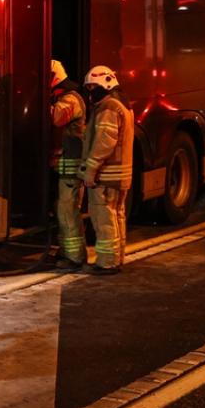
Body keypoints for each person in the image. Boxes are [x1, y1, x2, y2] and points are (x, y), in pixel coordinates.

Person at [79, 65, 134, 275]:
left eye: (93, 87)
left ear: (105, 84)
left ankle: (107, 262)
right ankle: (116, 257)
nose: (90, 92)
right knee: (117, 216)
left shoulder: (109, 108)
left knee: (104, 219)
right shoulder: (122, 104)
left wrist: (91, 170)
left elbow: (104, 142)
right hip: (120, 175)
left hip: (106, 175)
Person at [49, 60, 89, 270]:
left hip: (72, 164)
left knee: (68, 210)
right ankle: (66, 251)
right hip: (64, 164)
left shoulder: (70, 99)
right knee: (62, 209)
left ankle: (74, 257)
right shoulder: (62, 97)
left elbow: (56, 118)